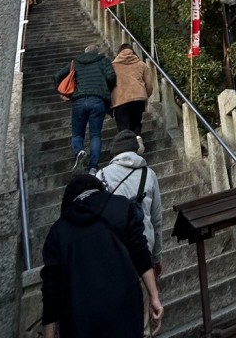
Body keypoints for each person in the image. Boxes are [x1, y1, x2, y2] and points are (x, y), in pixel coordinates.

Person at [41, 174, 163, 338]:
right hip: (125, 309)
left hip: (79, 320)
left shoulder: (57, 232)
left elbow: (51, 294)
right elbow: (141, 254)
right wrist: (154, 296)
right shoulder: (121, 206)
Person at [98, 130, 165, 333]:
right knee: (145, 305)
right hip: (144, 247)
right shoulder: (149, 174)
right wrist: (157, 257)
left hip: (115, 249)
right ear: (137, 150)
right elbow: (157, 219)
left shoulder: (101, 176)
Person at [54, 43, 116, 172]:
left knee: (77, 133)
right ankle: (93, 167)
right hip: (98, 100)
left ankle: (79, 151)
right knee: (95, 135)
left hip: (79, 101)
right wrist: (105, 89)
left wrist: (63, 93)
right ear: (97, 52)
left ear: (85, 52)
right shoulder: (103, 61)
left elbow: (58, 76)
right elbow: (111, 77)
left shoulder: (75, 62)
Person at [111, 42, 153, 136]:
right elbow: (149, 85)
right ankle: (137, 138)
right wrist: (145, 95)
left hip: (120, 101)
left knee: (123, 128)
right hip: (138, 98)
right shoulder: (141, 65)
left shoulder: (112, 67)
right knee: (136, 123)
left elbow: (109, 84)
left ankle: (127, 145)